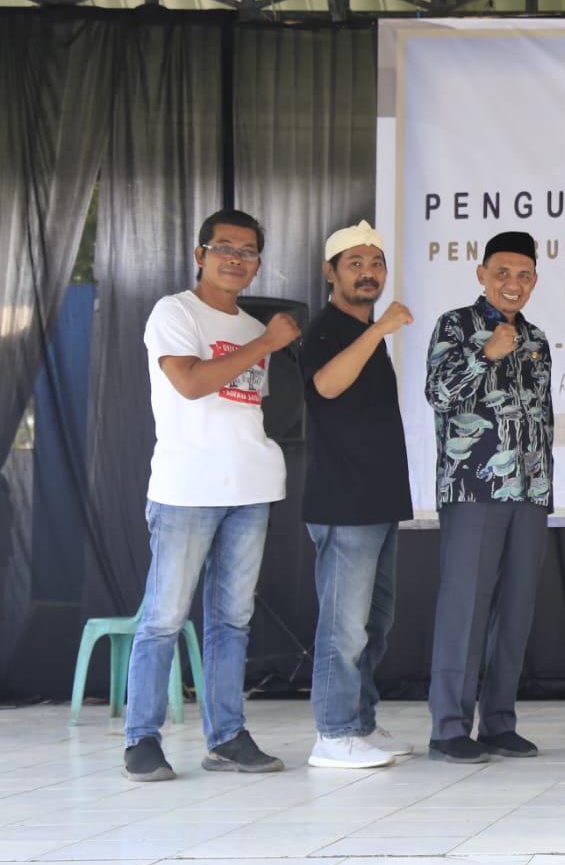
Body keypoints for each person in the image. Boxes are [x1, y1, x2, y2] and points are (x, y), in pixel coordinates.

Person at [122, 208, 300, 782]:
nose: (235, 259)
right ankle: (141, 739)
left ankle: (226, 736)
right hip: (186, 488)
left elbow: (246, 405)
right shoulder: (173, 312)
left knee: (232, 620)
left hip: (250, 487)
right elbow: (193, 384)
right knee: (164, 618)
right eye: (224, 247)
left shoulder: (254, 328)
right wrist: (268, 342)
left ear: (257, 264)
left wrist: (264, 340)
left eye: (247, 252)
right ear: (200, 254)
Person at [423, 230, 554, 764]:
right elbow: (437, 394)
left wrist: (545, 483)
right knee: (465, 605)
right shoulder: (455, 325)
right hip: (473, 486)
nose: (513, 283)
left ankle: (499, 721)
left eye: (523, 275)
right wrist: (484, 354)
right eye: (502, 272)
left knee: (517, 608)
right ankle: (449, 727)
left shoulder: (539, 338)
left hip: (531, 490)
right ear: (481, 274)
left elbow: (538, 418)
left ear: (534, 281)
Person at [300, 221, 415, 769]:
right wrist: (380, 330)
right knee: (343, 625)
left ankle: (361, 724)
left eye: (375, 263)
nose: (368, 272)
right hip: (343, 503)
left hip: (378, 499)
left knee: (375, 623)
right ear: (330, 272)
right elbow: (325, 385)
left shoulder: (365, 328)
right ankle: (334, 731)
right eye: (355, 263)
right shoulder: (325, 328)